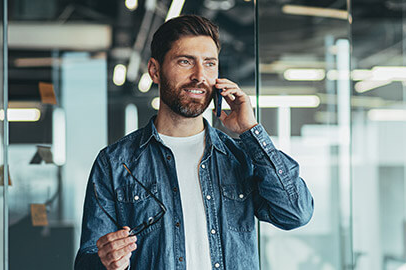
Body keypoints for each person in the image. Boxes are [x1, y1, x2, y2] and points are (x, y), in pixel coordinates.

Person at [74, 14, 314, 270]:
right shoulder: (116, 163)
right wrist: (107, 261)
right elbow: (88, 258)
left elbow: (295, 212)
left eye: (209, 64)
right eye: (185, 61)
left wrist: (250, 130)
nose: (200, 76)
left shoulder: (239, 156)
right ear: (155, 70)